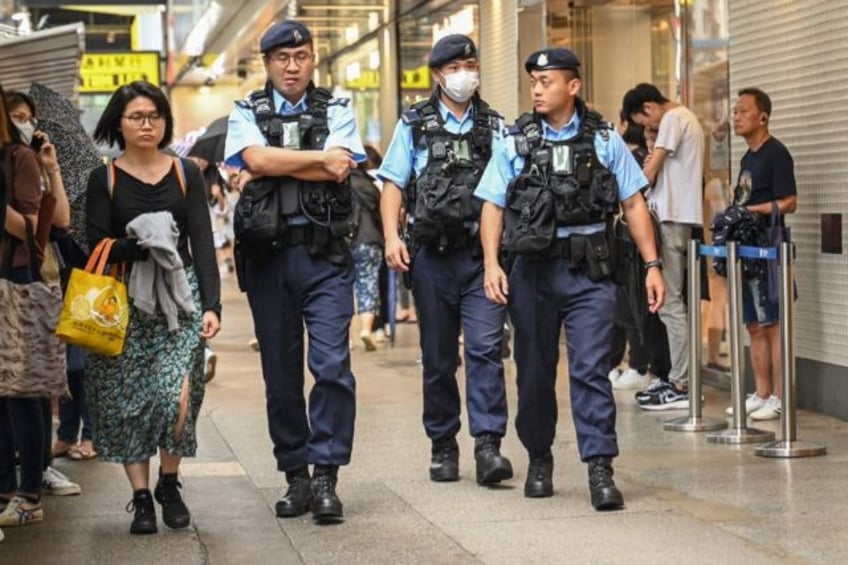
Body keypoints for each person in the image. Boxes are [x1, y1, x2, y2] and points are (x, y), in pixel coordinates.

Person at [476, 48, 665, 510]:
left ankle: (600, 467)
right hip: (533, 273)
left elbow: (634, 203)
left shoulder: (603, 139)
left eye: (547, 81)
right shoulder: (514, 140)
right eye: (534, 82)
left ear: (573, 86)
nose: (537, 89)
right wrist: (491, 264)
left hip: (589, 272)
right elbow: (492, 204)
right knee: (535, 371)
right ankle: (539, 458)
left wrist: (652, 265)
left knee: (589, 370)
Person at [224, 20, 364, 522]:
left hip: (325, 258)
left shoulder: (339, 109)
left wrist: (282, 163)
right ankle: (296, 476)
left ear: (313, 60)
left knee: (332, 368)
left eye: (301, 56)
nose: (292, 66)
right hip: (268, 262)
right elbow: (255, 159)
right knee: (280, 377)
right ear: (266, 63)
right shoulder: (245, 111)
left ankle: (326, 474)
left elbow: (342, 166)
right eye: (282, 58)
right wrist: (315, 160)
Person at [85, 80, 221, 535]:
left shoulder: (186, 173)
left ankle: (170, 482)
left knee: (178, 396)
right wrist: (142, 241)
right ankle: (141, 497)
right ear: (118, 125)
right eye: (137, 117)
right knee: (130, 404)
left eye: (155, 116)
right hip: (122, 305)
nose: (148, 124)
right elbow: (95, 245)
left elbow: (202, 241)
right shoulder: (103, 177)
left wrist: (213, 304)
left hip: (180, 299)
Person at [379, 34, 513, 486]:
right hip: (431, 257)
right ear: (438, 74)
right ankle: (442, 443)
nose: (465, 74)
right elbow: (394, 183)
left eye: (471, 65)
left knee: (484, 349)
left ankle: (489, 443)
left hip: (480, 255)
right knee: (438, 357)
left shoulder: (494, 125)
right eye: (455, 67)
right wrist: (391, 236)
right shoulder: (413, 124)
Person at [6, 91, 93, 478]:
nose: (24, 123)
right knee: (33, 379)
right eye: (17, 115)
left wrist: (52, 168)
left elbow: (59, 220)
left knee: (39, 378)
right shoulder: (10, 163)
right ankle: (36, 469)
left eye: (28, 117)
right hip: (27, 277)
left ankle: (35, 475)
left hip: (37, 276)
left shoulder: (28, 161)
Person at [622, 83, 705, 410]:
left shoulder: (673, 118)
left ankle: (682, 382)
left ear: (648, 107)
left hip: (671, 219)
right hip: (683, 218)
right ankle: (679, 379)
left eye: (644, 122)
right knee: (674, 302)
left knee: (670, 304)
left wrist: (640, 169)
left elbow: (649, 174)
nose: (648, 129)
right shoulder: (690, 120)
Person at [727, 87, 796, 421]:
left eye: (742, 111)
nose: (736, 117)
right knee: (753, 323)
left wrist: (750, 210)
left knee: (773, 324)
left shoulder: (776, 153)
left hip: (769, 243)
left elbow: (790, 201)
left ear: (763, 116)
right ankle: (762, 391)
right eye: (734, 111)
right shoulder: (746, 158)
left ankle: (781, 396)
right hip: (746, 245)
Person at [0, 84, 48, 528]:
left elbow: (32, 230)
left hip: (15, 279)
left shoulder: (20, 158)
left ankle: (30, 491)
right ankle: (4, 489)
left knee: (20, 390)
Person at [350, 149, 384, 350]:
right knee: (368, 283)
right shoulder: (370, 187)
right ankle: (365, 329)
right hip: (370, 239)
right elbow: (380, 215)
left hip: (344, 240)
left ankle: (346, 338)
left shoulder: (339, 185)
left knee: (342, 287)